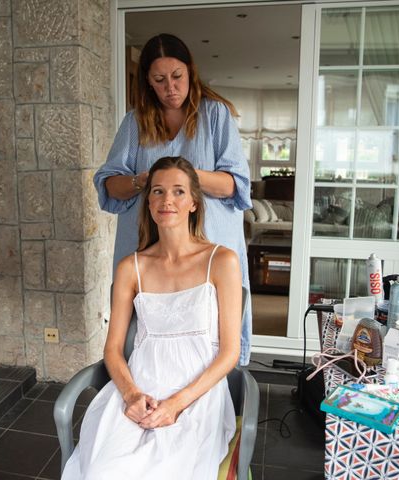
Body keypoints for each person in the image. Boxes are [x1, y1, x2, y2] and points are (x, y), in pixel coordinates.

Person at [63, 157, 242, 479]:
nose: (166, 200)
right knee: (104, 470)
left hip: (197, 392)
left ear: (193, 202)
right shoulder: (131, 267)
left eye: (177, 191)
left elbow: (230, 353)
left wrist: (176, 404)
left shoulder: (222, 260)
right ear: (148, 202)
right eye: (157, 191)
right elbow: (113, 350)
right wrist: (131, 395)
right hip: (139, 386)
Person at [94, 33, 253, 365]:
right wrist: (142, 180)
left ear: (190, 72)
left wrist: (182, 176)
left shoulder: (216, 116)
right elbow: (109, 187)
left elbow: (233, 186)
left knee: (212, 331)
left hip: (206, 244)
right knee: (143, 334)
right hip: (147, 244)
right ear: (148, 83)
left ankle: (221, 397)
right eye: (159, 79)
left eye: (177, 76)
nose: (170, 87)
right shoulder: (135, 122)